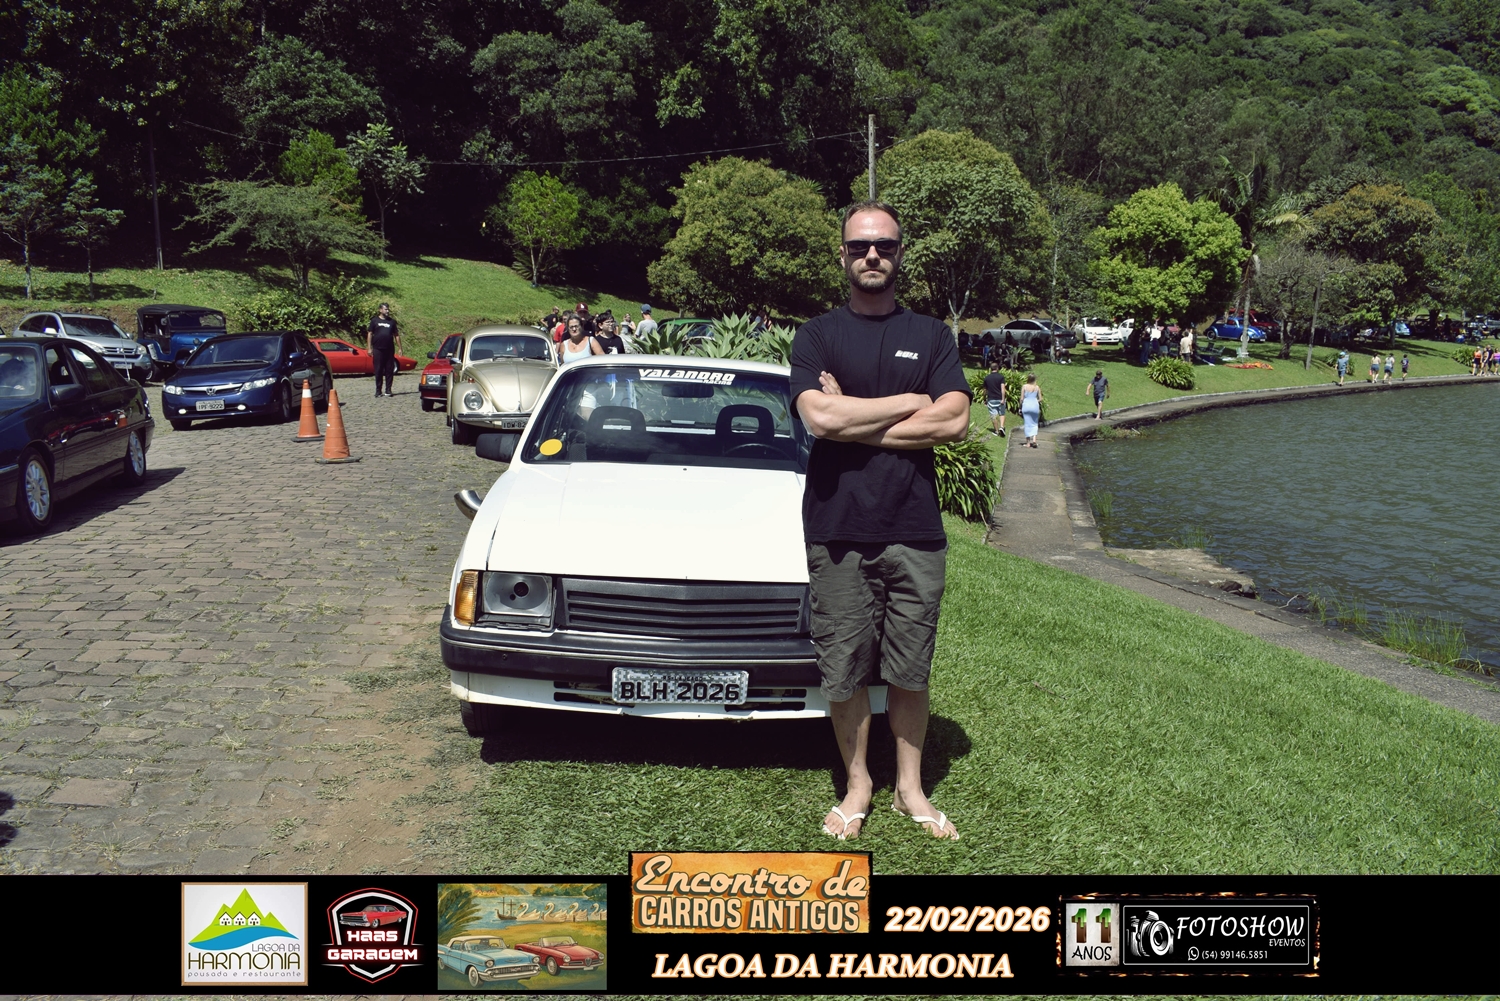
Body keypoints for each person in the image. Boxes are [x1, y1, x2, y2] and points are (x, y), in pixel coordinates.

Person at [790, 200, 971, 842]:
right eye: (861, 245)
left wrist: (855, 419)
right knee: (844, 668)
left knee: (910, 669)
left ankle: (909, 788)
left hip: (915, 530)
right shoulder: (816, 335)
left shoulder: (932, 335)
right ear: (842, 254)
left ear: (900, 253)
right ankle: (859, 782)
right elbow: (819, 418)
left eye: (885, 245)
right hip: (837, 529)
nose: (873, 255)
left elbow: (954, 420)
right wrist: (910, 402)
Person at [367, 302, 401, 397]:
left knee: (389, 370)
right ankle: (378, 390)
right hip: (378, 349)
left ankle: (388, 390)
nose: (387, 311)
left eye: (388, 309)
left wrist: (400, 348)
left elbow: (396, 335)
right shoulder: (374, 321)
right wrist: (369, 348)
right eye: (386, 309)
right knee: (378, 370)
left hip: (389, 349)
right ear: (380, 310)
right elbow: (370, 334)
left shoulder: (392, 322)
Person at [982, 360, 1007, 437]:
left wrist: (984, 399)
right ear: (997, 368)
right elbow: (1003, 389)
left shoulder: (987, 378)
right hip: (1000, 398)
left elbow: (985, 390)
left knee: (993, 415)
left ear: (990, 369)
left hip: (991, 399)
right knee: (1002, 413)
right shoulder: (1001, 377)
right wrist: (1003, 398)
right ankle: (1002, 427)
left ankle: (996, 431)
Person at [1020, 373, 1042, 446]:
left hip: (1026, 406)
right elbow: (1040, 399)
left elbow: (1021, 399)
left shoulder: (1024, 386)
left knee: (1027, 424)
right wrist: (1035, 401)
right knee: (1034, 423)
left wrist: (1020, 407)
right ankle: (1034, 440)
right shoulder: (1037, 387)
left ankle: (1028, 443)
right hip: (1034, 406)